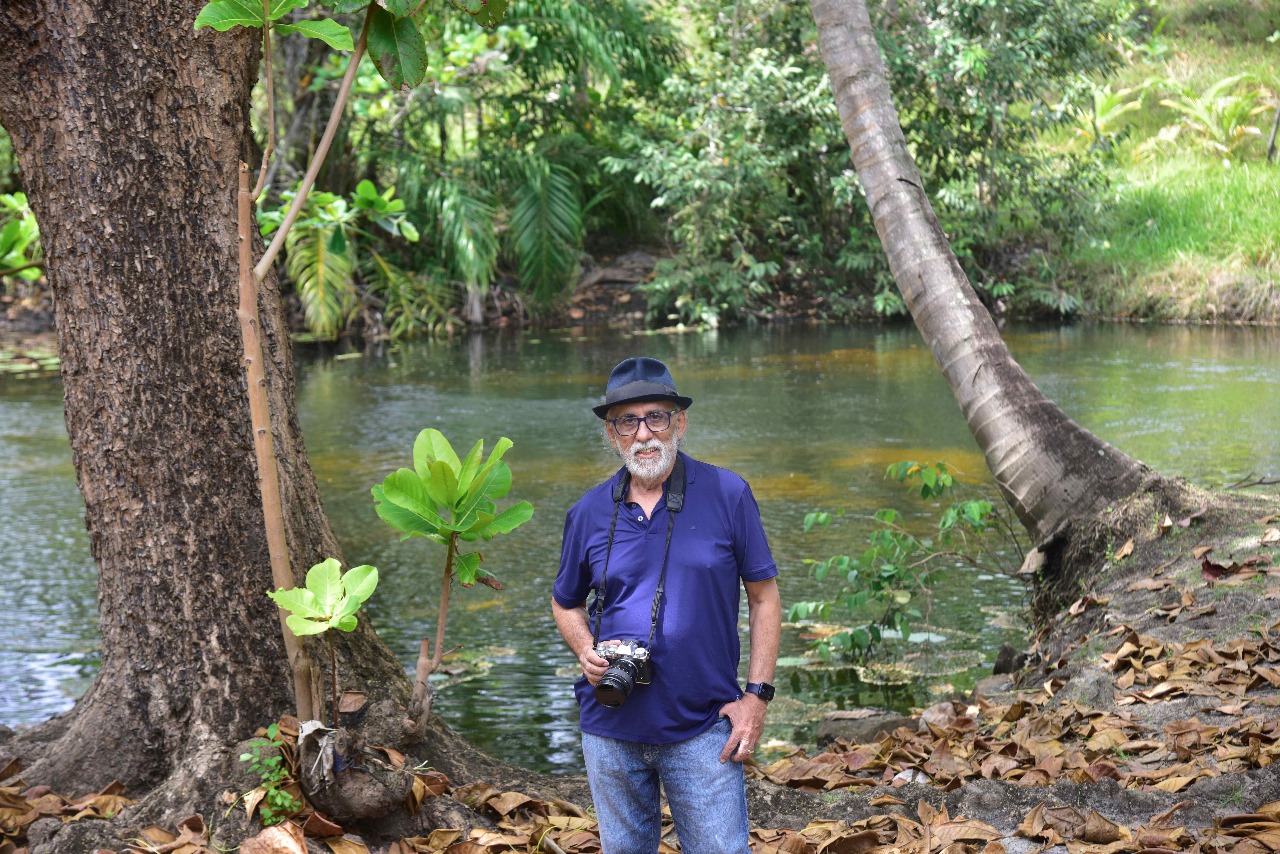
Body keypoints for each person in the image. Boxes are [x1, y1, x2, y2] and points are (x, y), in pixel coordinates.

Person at [552, 356, 782, 854]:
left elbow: (764, 598)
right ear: (611, 434)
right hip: (610, 727)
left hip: (703, 727)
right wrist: (584, 648)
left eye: (656, 417)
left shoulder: (728, 493)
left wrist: (757, 698)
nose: (643, 434)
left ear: (680, 422)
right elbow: (564, 602)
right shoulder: (588, 511)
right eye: (627, 421)